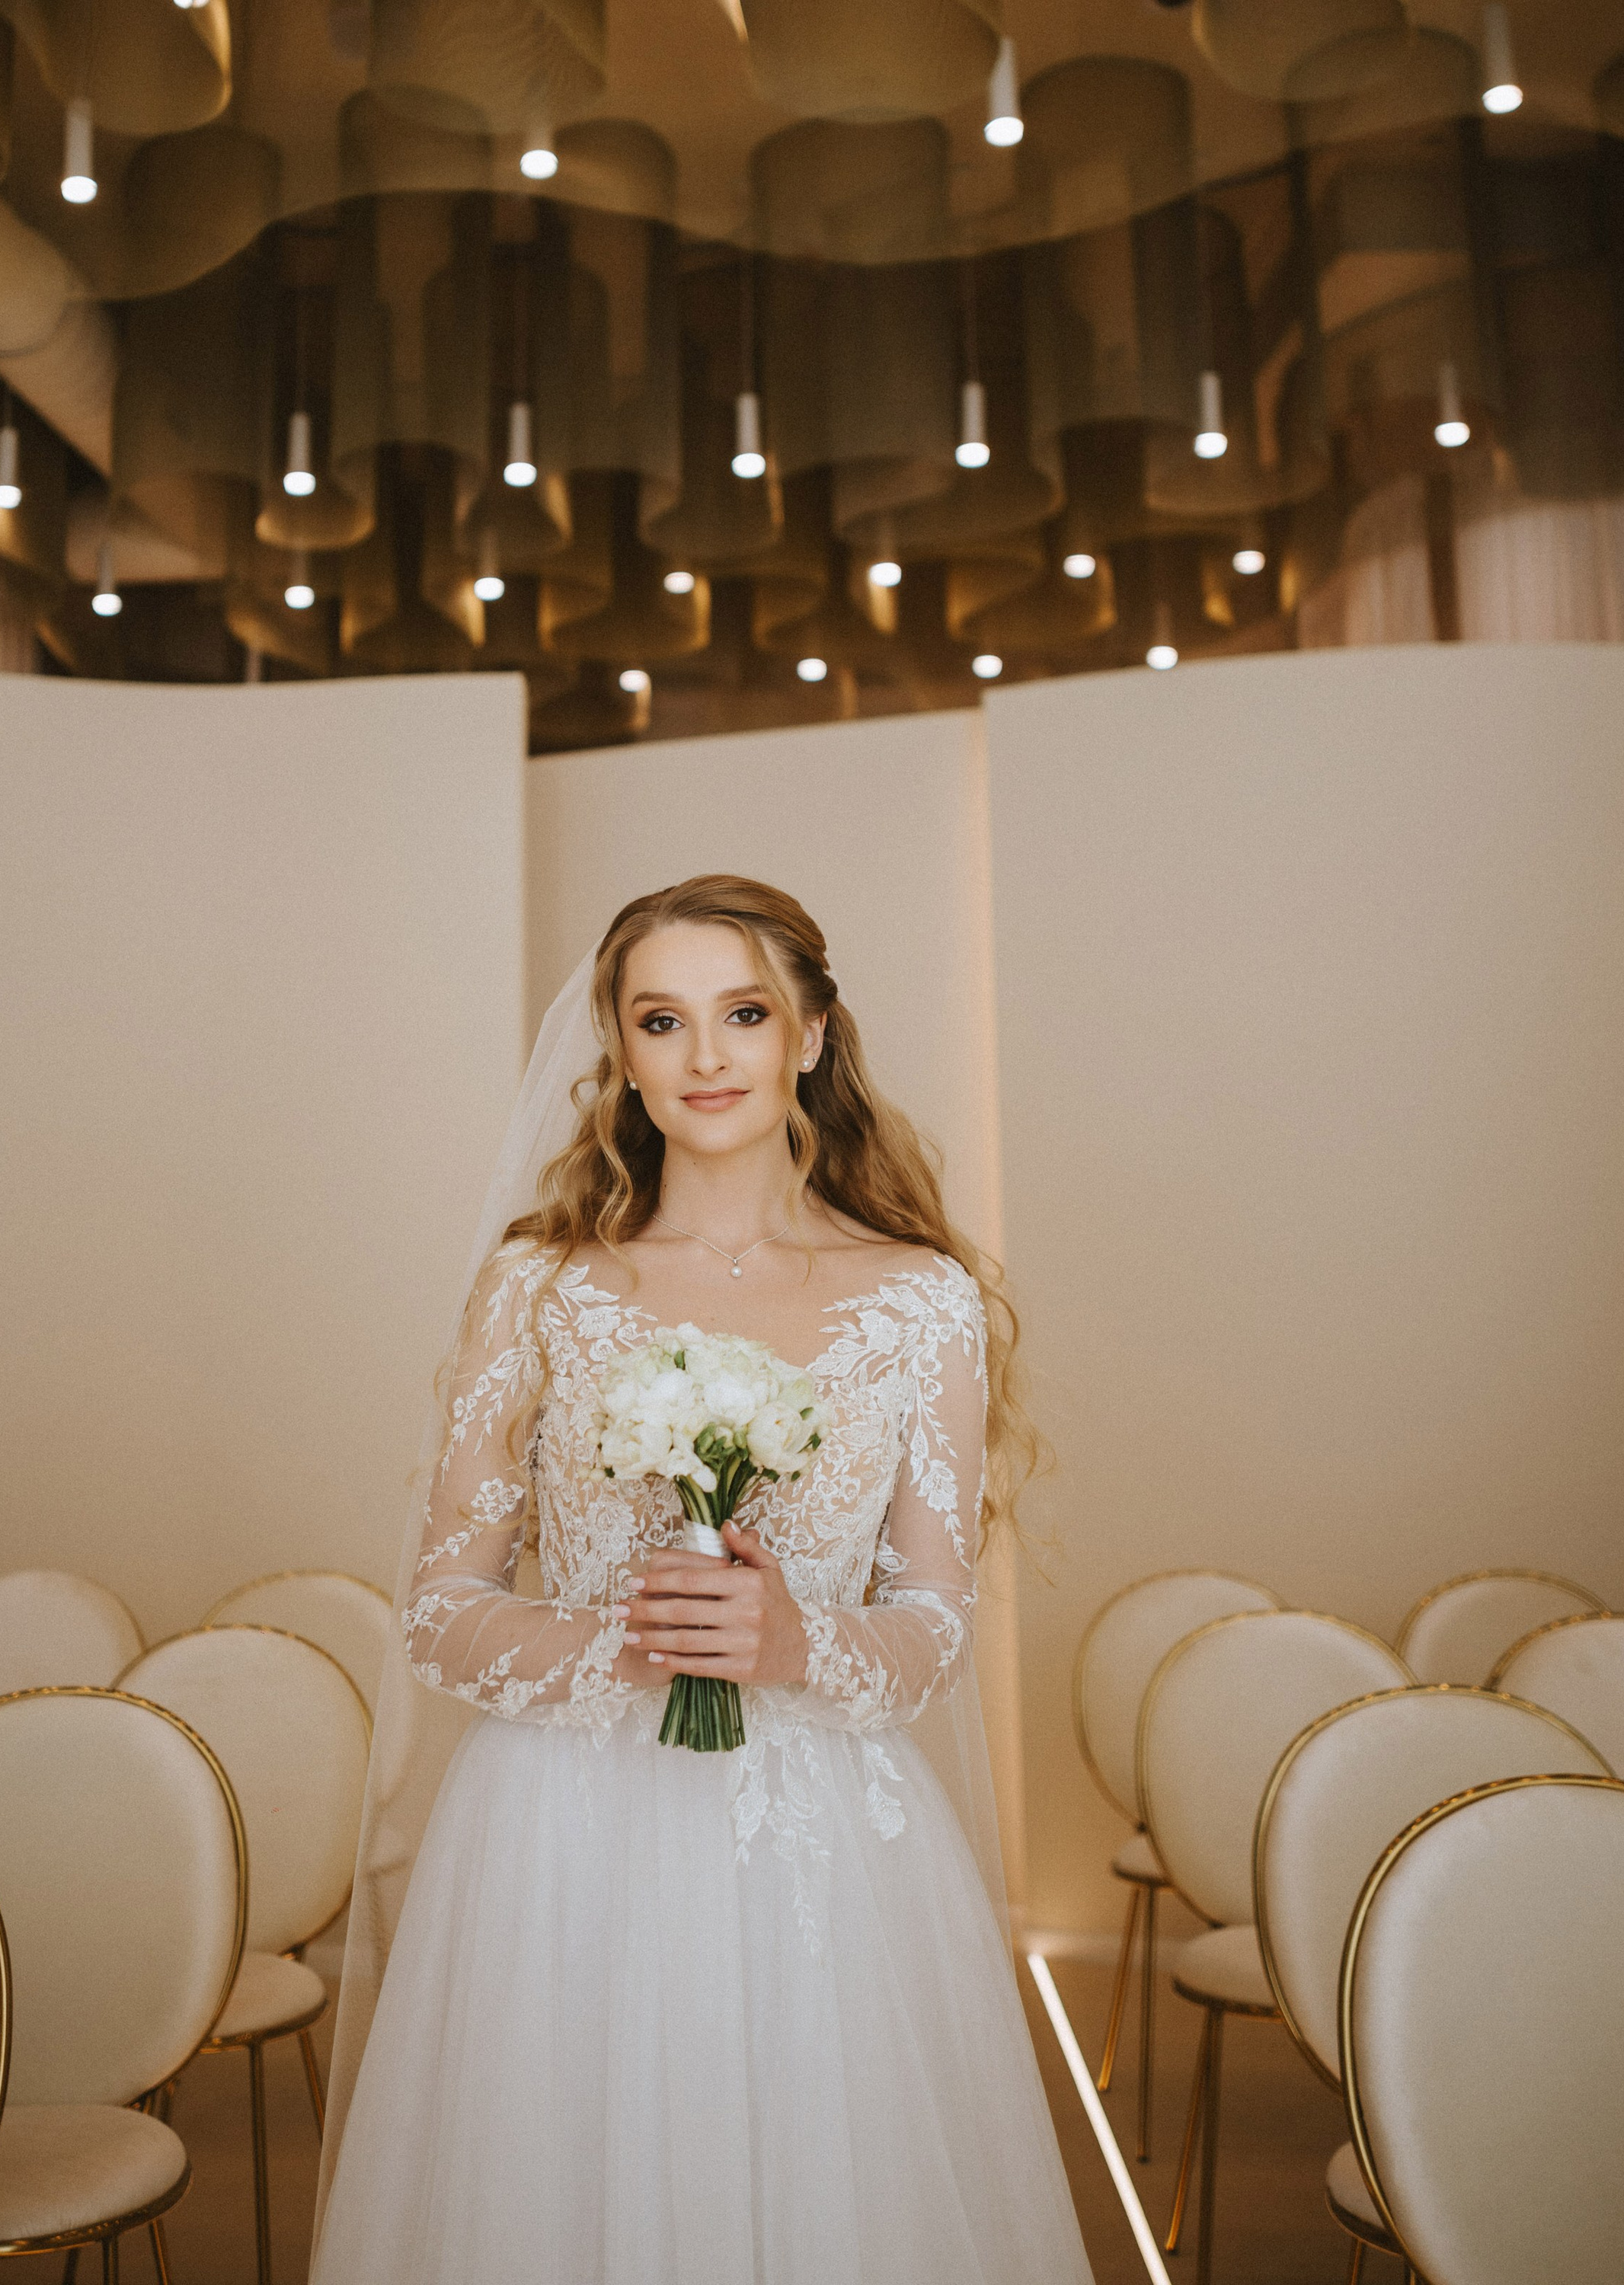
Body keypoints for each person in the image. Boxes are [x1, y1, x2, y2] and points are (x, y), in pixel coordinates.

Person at [311, 874, 1094, 2285]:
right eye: (662, 1021)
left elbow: (933, 1630)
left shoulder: (920, 1299)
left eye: (744, 1013)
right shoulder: (541, 1286)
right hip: (563, 1831)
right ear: (621, 1050)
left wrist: (796, 1642)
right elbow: (439, 1611)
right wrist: (617, 1641)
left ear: (811, 1034)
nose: (706, 1057)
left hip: (822, 1843)